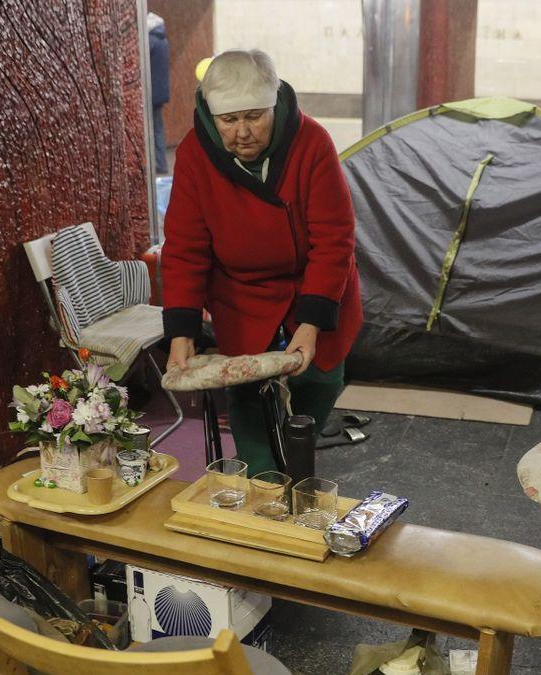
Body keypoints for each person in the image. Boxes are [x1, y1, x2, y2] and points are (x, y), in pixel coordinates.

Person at [161, 50, 362, 475]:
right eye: (229, 120)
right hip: (241, 292)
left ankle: (298, 464)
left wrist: (310, 326)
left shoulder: (313, 142)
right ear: (211, 116)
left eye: (254, 116)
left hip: (314, 282)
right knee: (247, 396)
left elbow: (334, 241)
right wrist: (181, 331)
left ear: (274, 106)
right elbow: (184, 247)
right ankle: (263, 481)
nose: (243, 133)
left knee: (322, 379)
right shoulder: (196, 153)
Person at [148, 12, 171, 174]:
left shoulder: (150, 41)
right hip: (161, 92)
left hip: (151, 93)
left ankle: (157, 163)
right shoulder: (164, 41)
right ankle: (161, 162)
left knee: (152, 129)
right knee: (158, 128)